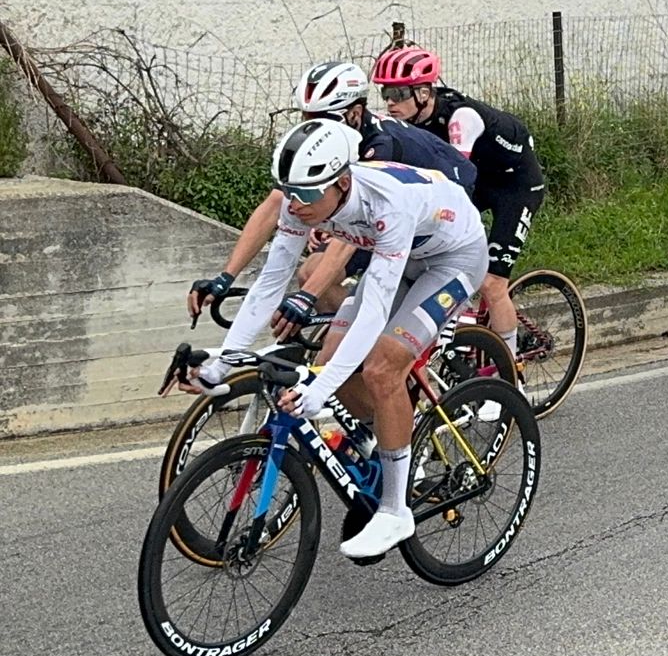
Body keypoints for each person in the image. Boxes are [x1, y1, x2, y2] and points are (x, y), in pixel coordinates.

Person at [185, 119, 489, 558]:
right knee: (330, 359)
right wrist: (223, 363)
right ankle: (387, 436)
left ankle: (395, 510)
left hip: (454, 259)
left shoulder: (387, 204)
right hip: (406, 257)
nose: (296, 204)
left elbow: (374, 310)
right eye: (289, 192)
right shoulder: (303, 203)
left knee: (382, 367)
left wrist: (319, 390)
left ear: (343, 182)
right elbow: (271, 282)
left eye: (307, 195)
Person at [189, 61, 479, 325]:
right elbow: (276, 203)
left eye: (322, 118)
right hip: (398, 206)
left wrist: (307, 297)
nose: (312, 127)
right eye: (306, 118)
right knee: (311, 275)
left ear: (354, 114)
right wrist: (225, 277)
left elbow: (362, 221)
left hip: (445, 204)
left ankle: (380, 339)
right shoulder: (324, 142)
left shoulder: (379, 145)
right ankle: (353, 338)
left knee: (316, 277)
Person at [374, 47, 544, 363]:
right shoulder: (409, 122)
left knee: (491, 283)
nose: (390, 102)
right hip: (480, 179)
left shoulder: (461, 118)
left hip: (515, 186)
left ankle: (509, 371)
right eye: (385, 93)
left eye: (398, 93)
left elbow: (454, 186)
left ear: (424, 93)